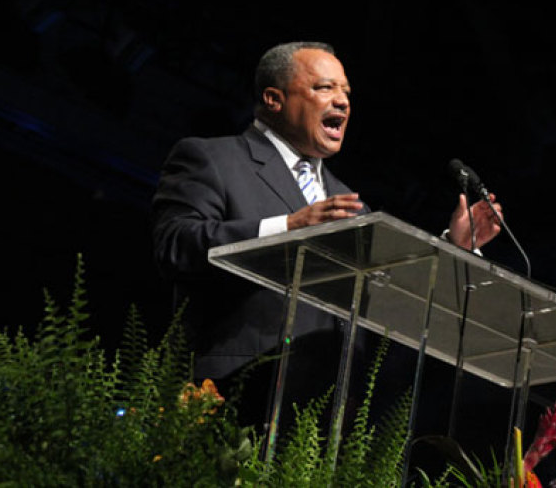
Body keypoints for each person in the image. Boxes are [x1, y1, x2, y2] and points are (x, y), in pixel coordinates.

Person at [151, 41, 503, 429]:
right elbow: (175, 245)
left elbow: (386, 302)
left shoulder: (349, 205)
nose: (342, 102)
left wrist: (455, 249)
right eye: (324, 88)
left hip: (321, 422)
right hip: (228, 397)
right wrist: (287, 228)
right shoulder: (213, 158)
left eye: (346, 92)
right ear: (274, 99)